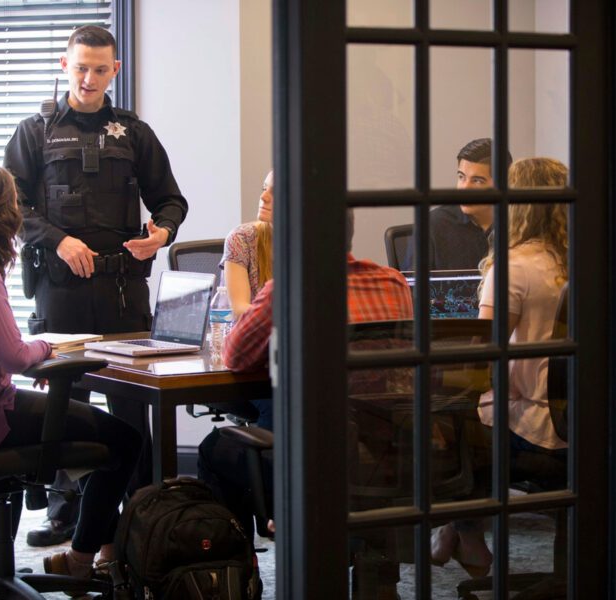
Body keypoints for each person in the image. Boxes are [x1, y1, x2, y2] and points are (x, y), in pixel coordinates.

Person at [3, 25, 187, 547]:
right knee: (67, 403)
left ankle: (141, 513)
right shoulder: (34, 131)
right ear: (65, 65)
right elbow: (13, 206)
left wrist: (162, 234)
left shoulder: (134, 133)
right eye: (81, 67)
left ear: (115, 71)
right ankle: (65, 512)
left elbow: (171, 200)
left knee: (132, 406)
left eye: (100, 69)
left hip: (122, 291)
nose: (89, 78)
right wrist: (58, 240)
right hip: (60, 290)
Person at [0, 166, 141, 579]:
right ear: (1, 213)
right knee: (126, 441)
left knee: (95, 437)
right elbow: (15, 357)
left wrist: (32, 355)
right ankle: (81, 560)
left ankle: (106, 550)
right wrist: (47, 349)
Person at [198, 210, 414, 597]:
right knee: (369, 460)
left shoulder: (284, 290)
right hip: (389, 456)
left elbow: (235, 356)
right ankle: (381, 583)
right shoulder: (392, 281)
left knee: (216, 448)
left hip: (313, 467)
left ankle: (238, 579)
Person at [430, 157, 570, 577]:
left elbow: (481, 361)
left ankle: (463, 530)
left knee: (440, 421)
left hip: (537, 427)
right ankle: (460, 530)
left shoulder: (514, 267)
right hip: (591, 423)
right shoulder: (585, 260)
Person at [220, 170, 274, 428]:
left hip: (295, 364)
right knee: (279, 407)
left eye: (275, 191)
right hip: (251, 363)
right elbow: (241, 310)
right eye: (264, 188)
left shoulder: (317, 243)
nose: (264, 197)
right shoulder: (242, 239)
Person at [407, 137, 512, 270]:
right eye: (461, 177)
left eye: (477, 181)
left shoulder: (521, 225)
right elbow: (412, 282)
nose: (464, 188)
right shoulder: (431, 224)